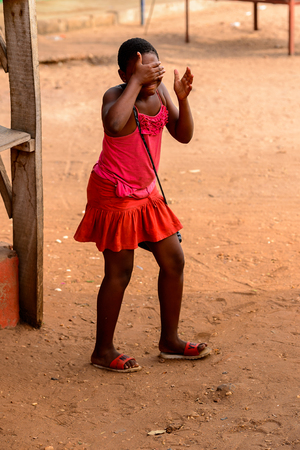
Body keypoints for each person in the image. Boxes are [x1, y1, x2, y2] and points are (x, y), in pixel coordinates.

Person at [74, 37, 211, 373]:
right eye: (141, 74)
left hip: (146, 194)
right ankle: (102, 350)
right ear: (124, 74)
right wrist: (135, 83)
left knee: (174, 259)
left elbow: (183, 134)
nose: (151, 81)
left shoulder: (162, 93)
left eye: (155, 73)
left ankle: (170, 341)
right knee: (120, 271)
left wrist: (181, 99)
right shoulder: (115, 97)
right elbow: (113, 124)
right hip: (114, 194)